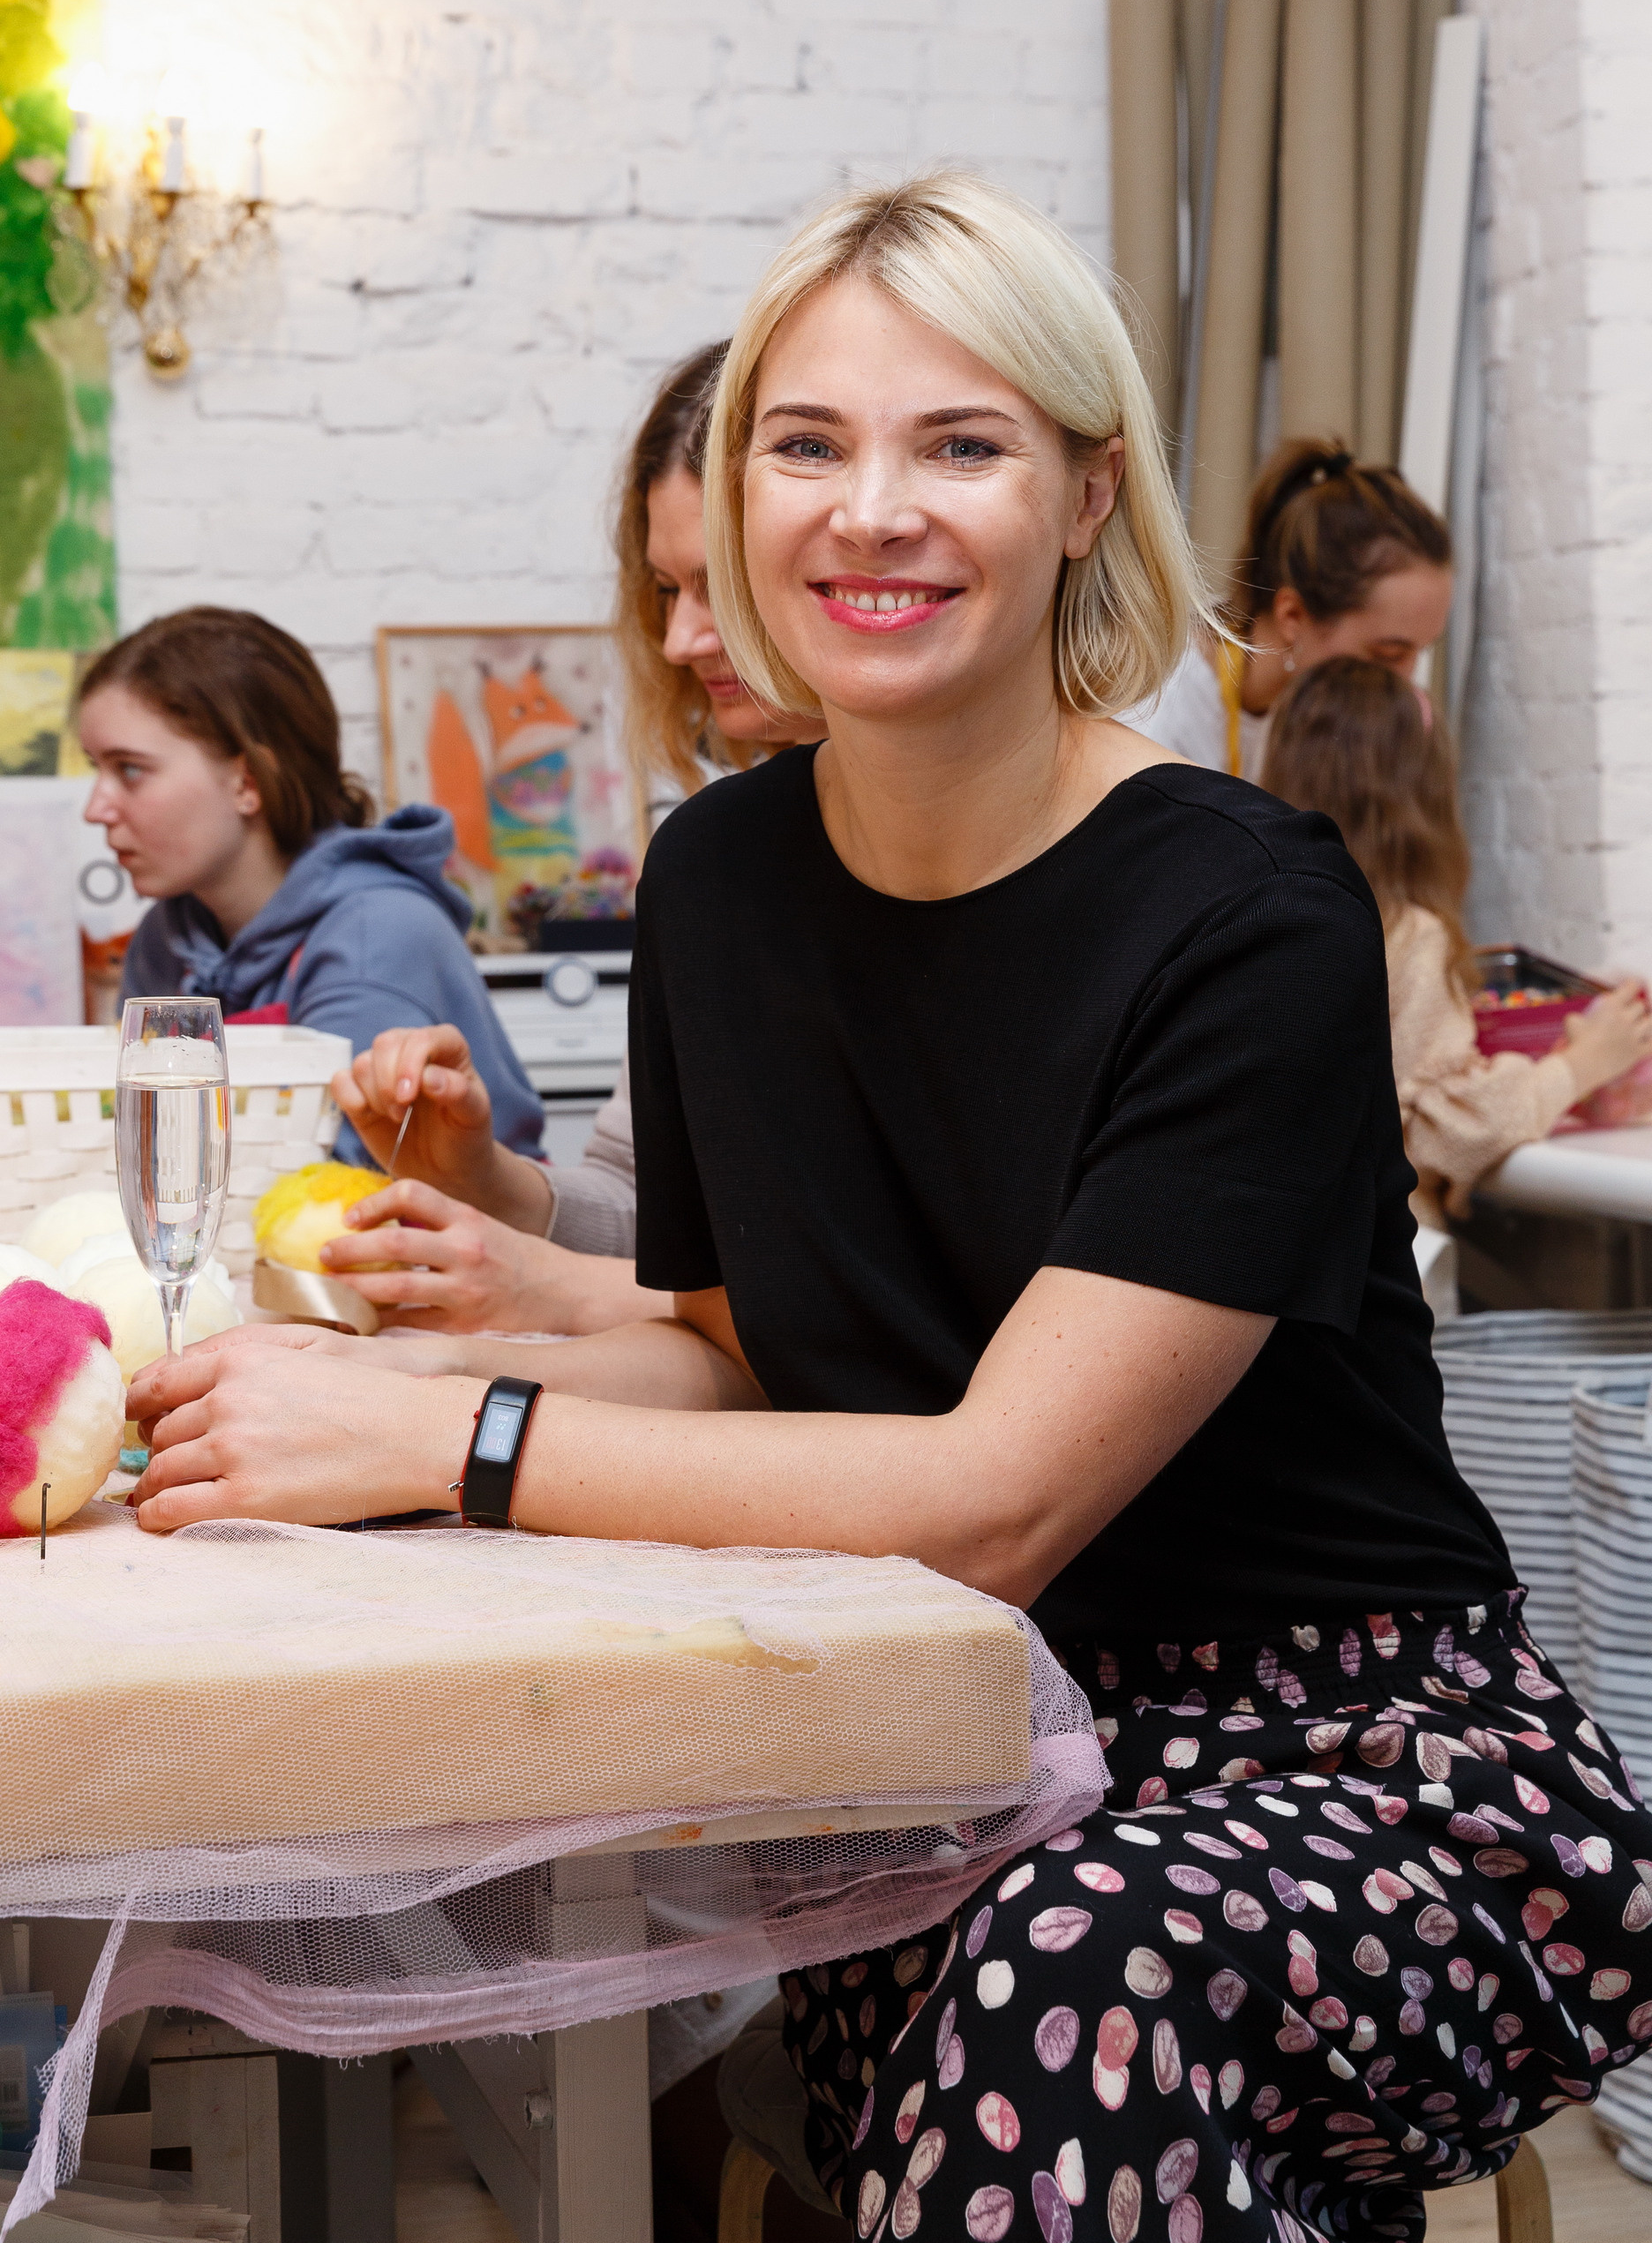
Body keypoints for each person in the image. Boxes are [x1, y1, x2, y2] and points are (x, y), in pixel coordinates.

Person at [130, 171, 1652, 2239]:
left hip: (1368, 1768)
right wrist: (332, 1389)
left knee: (1072, 1975)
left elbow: (995, 1500)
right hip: (934, 1745)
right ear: (736, 498)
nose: (870, 512)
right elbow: (737, 1365)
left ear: (1085, 495)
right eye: (805, 444)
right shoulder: (715, 884)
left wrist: (451, 1435)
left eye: (958, 444)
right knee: (1017, 2004)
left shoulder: (1246, 910)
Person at [314, 344, 822, 1332]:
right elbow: (647, 1217)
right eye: (667, 590)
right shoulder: (716, 861)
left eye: (719, 585)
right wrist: (482, 1177)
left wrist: (534, 1295)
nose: (680, 639)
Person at [77, 607, 544, 1168]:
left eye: (129, 769)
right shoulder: (167, 937)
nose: (95, 808)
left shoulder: (377, 937)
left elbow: (331, 1176)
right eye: (96, 768)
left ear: (247, 780)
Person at [1264, 656, 1652, 1219]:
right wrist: (1582, 1064)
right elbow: (1449, 1129)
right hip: (1380, 1247)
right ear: (1423, 794)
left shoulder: (1272, 915)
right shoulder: (1410, 933)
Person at [1121, 438, 1453, 777]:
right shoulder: (1157, 719)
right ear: (1292, 616)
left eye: (1422, 651)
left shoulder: (1321, 715)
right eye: (1388, 653)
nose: (1407, 681)